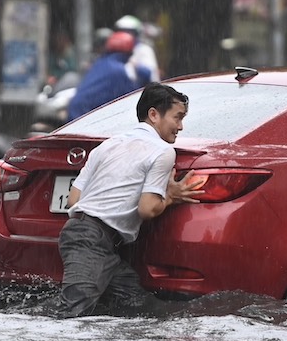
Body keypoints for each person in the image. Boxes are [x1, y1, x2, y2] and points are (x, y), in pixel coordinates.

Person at [57, 82, 205, 317]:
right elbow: (147, 210)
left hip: (86, 236)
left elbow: (73, 199)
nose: (180, 126)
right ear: (154, 115)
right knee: (71, 314)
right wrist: (171, 197)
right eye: (177, 118)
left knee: (139, 307)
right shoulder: (163, 151)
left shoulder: (107, 145)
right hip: (93, 241)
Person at [67, 31, 145, 121]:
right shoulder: (119, 71)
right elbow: (132, 98)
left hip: (76, 112)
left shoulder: (99, 63)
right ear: (129, 53)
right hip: (86, 117)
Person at [114, 14, 162, 82]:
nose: (125, 35)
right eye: (121, 32)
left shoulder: (144, 50)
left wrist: (136, 66)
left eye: (129, 32)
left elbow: (152, 76)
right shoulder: (114, 52)